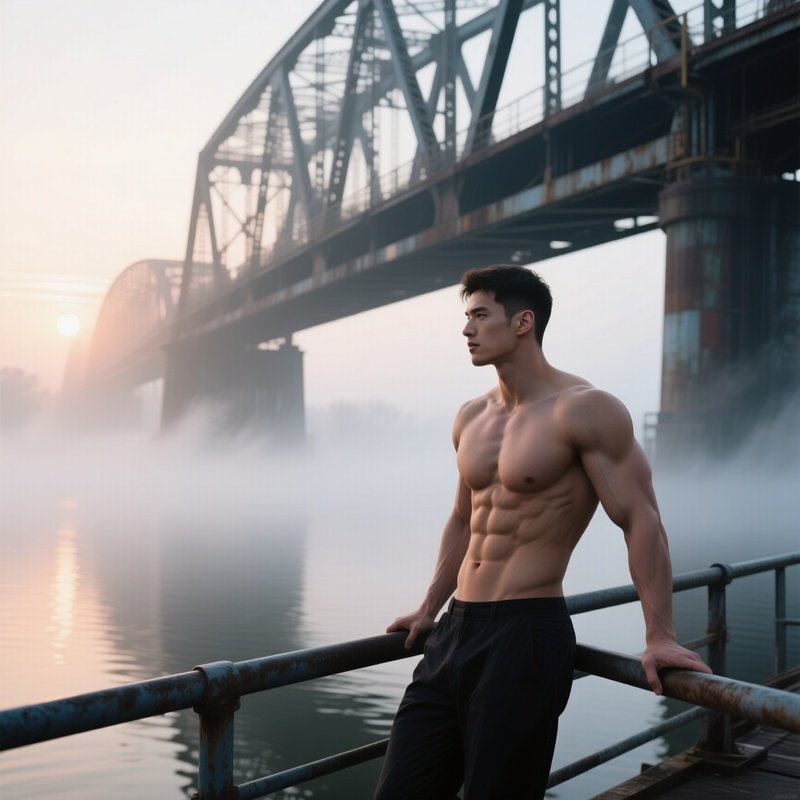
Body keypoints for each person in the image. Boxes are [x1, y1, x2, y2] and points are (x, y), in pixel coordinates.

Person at [374, 265, 711, 800]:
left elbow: (641, 518)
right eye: (467, 318)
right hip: (455, 629)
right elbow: (464, 519)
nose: (467, 330)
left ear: (524, 322)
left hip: (525, 633)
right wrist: (428, 608)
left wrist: (659, 635)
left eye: (480, 316)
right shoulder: (470, 417)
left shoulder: (583, 409)